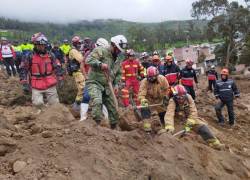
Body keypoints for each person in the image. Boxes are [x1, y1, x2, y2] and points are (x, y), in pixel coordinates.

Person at [163, 84, 224, 149]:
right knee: (175, 134)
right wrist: (169, 126)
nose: (181, 99)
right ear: (175, 96)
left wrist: (191, 121)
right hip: (177, 119)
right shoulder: (172, 101)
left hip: (189, 118)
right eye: (178, 97)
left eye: (182, 97)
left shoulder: (189, 97)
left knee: (203, 128)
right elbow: (169, 113)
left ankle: (215, 144)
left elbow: (193, 110)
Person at [86, 35, 128, 129]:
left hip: (108, 85)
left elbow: (119, 73)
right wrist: (100, 64)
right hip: (95, 82)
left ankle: (114, 128)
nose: (118, 52)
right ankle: (96, 127)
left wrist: (116, 83)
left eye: (120, 51)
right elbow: (88, 60)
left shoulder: (118, 59)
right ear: (113, 45)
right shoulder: (101, 50)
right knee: (97, 102)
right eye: (117, 50)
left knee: (113, 109)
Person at [19, 32, 64, 106]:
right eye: (39, 45)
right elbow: (23, 69)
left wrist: (60, 78)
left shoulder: (50, 55)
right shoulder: (29, 56)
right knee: (38, 104)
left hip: (50, 82)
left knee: (55, 104)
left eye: (43, 45)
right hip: (36, 83)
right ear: (35, 45)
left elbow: (57, 67)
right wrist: (24, 82)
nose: (41, 47)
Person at [138, 66, 169, 132]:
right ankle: (148, 129)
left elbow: (167, 89)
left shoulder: (162, 79)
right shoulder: (144, 82)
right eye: (149, 77)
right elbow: (141, 93)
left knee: (164, 116)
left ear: (157, 75)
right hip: (149, 102)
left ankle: (165, 127)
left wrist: (166, 97)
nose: (151, 79)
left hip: (160, 102)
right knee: (144, 110)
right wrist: (143, 100)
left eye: (153, 77)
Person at [67, 36, 85, 107]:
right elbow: (80, 59)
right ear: (75, 44)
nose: (80, 45)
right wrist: (84, 55)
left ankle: (79, 104)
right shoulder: (73, 51)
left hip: (79, 71)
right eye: (79, 43)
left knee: (82, 87)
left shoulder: (76, 51)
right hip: (77, 71)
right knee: (82, 87)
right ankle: (76, 106)